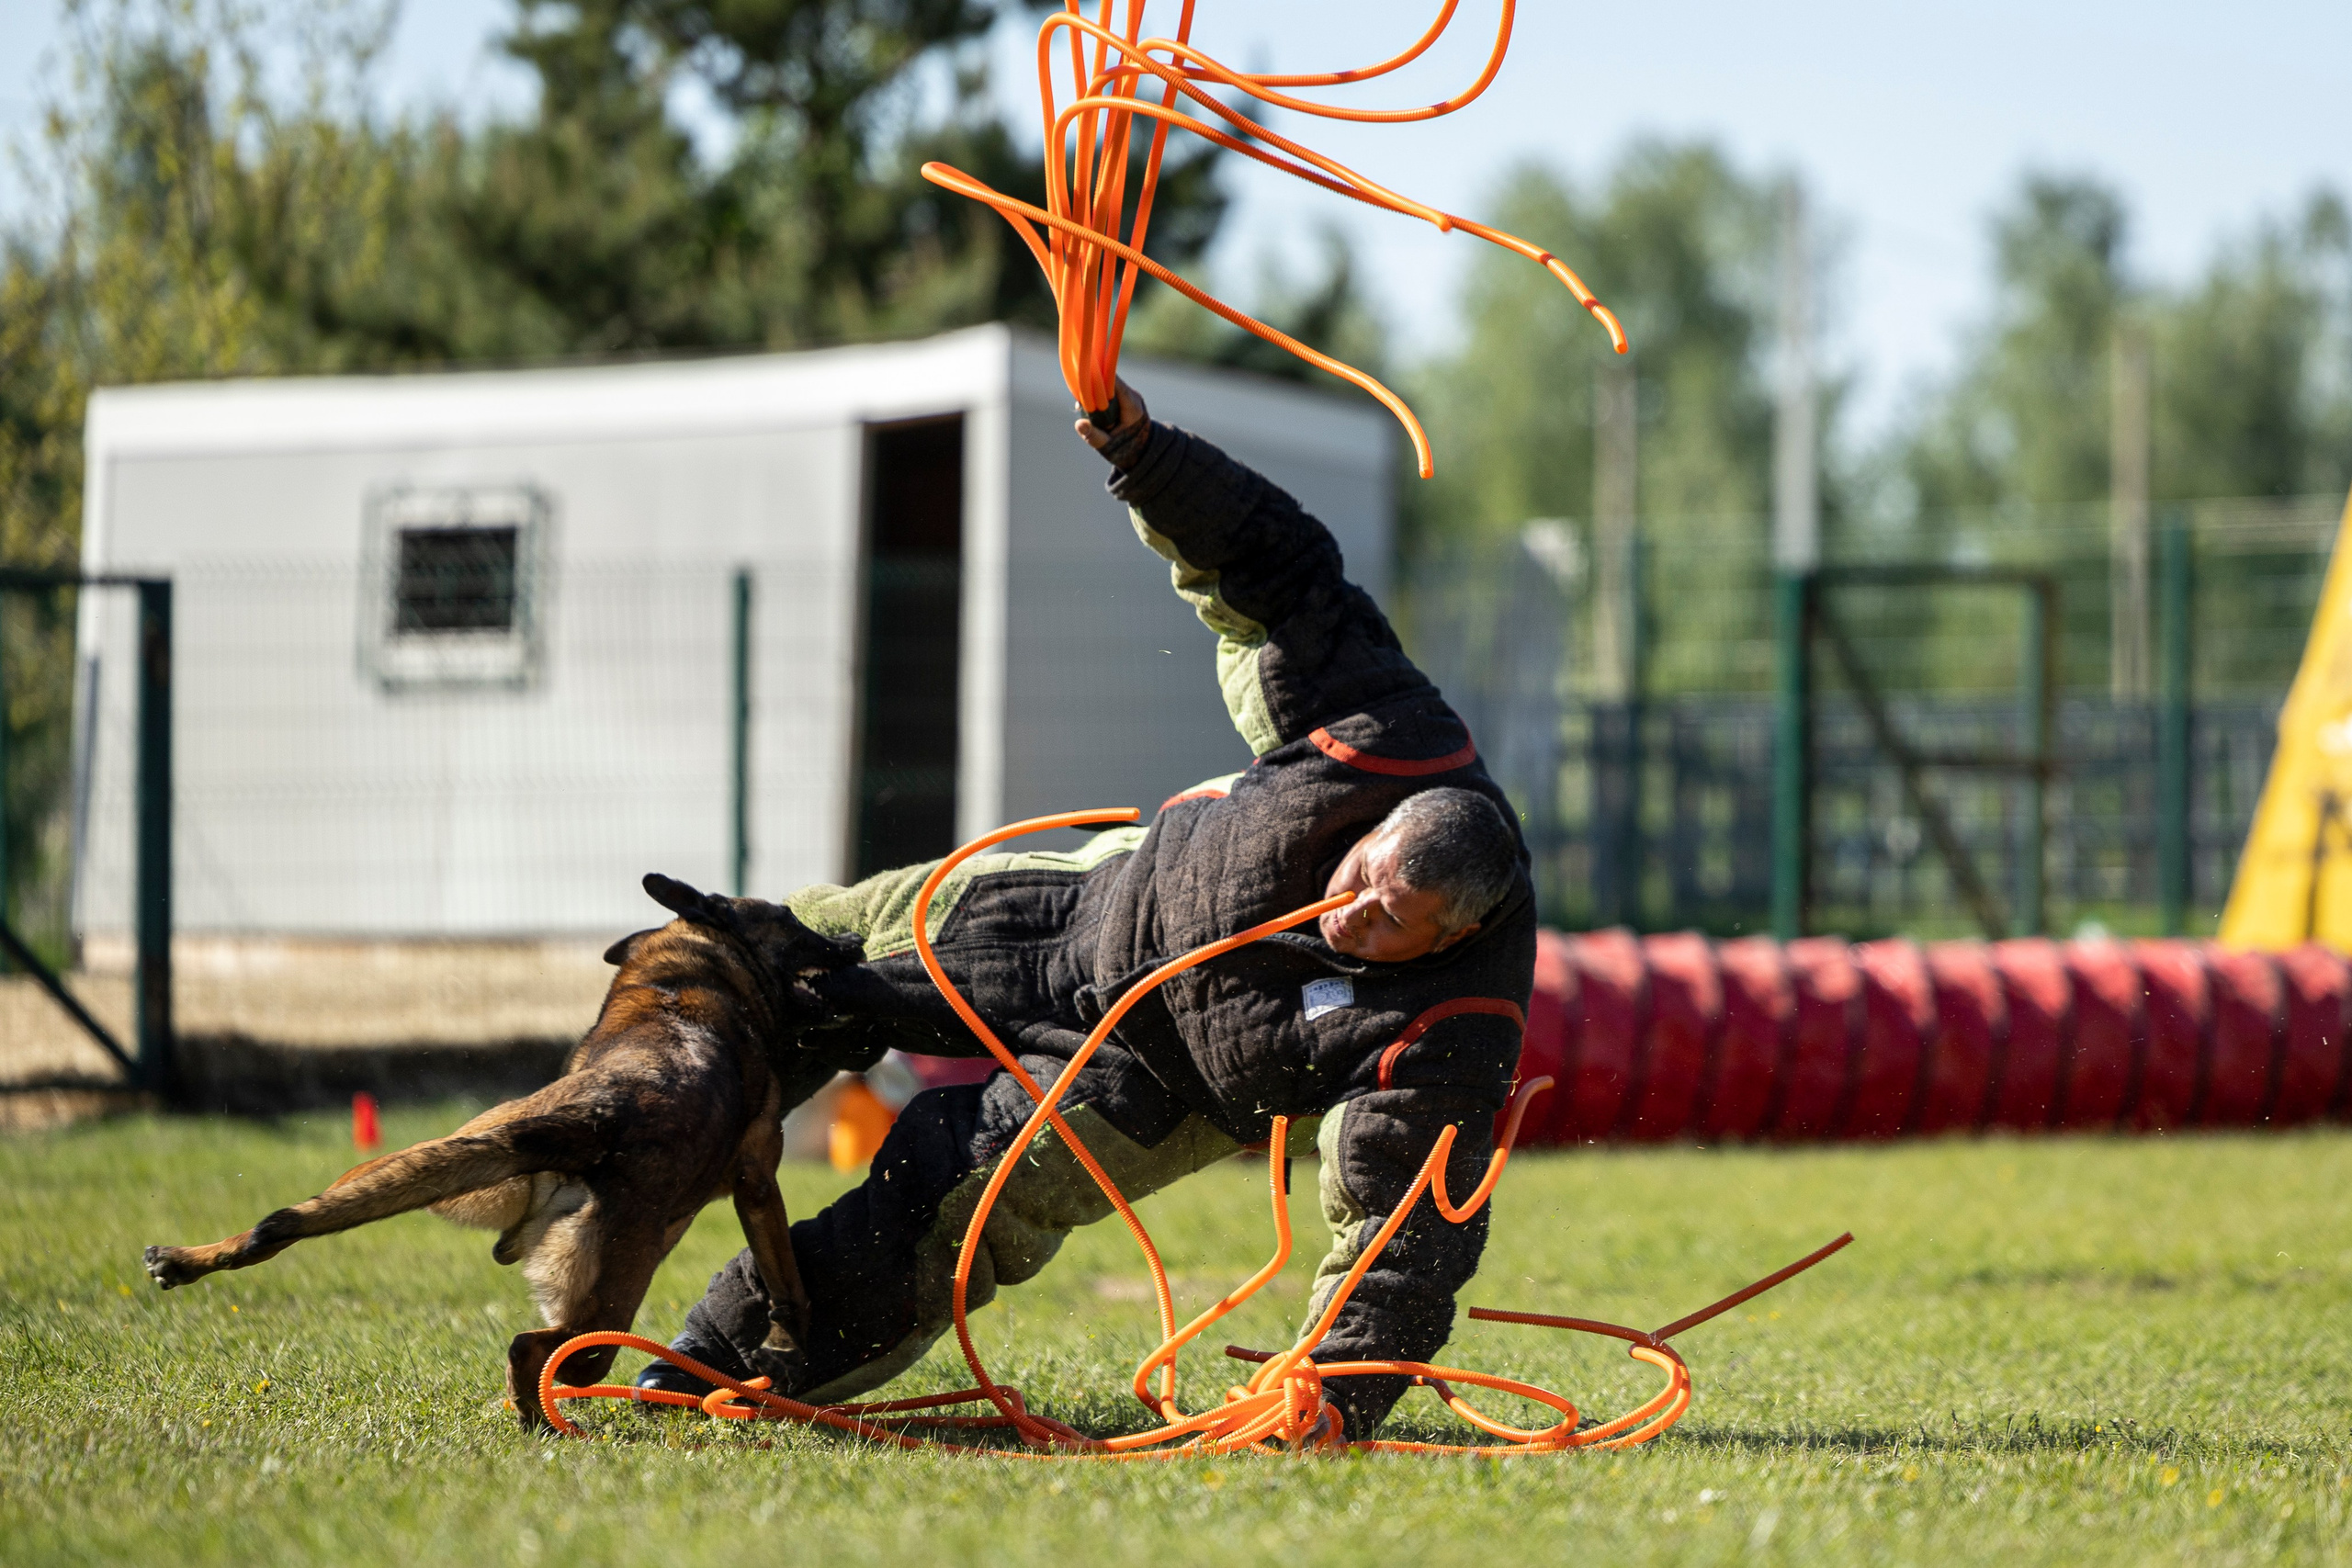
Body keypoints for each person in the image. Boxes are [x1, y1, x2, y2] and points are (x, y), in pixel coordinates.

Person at [639, 379, 1537, 1439]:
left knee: (949, 1197)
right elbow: (1276, 569)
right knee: (787, 951)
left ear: (1456, 936)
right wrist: (1147, 454)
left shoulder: (1453, 1029)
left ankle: (713, 1362)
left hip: (1154, 1086)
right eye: (1358, 883)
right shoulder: (1383, 731)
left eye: (1391, 927)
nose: (1351, 921)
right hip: (1081, 908)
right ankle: (598, 1146)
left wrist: (1335, 1394)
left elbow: (1403, 1227)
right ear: (1376, 829)